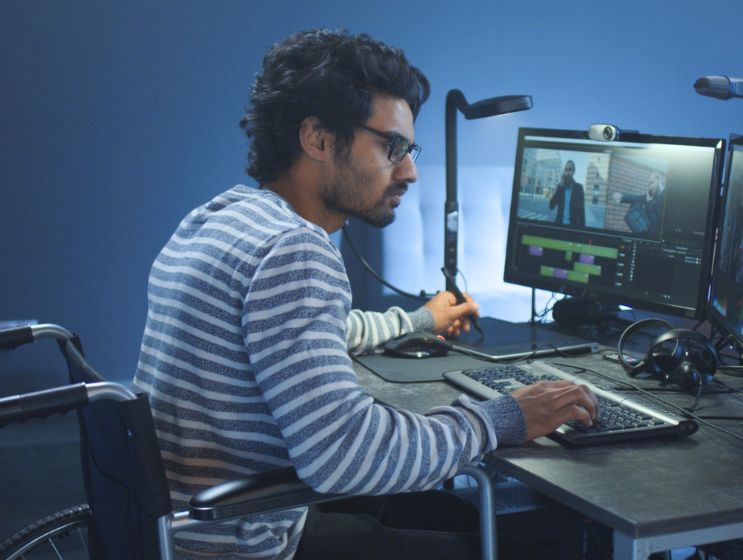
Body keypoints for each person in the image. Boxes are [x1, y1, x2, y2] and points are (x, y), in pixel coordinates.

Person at [133, 29, 598, 560]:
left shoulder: (220, 220)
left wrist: (418, 321)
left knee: (454, 515)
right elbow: (344, 453)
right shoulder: (294, 251)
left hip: (182, 532)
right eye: (391, 146)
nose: (410, 171)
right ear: (319, 139)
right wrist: (502, 418)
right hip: (243, 545)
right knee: (529, 550)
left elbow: (307, 332)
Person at [611, 170, 665, 238]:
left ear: (659, 180)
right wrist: (621, 196)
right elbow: (635, 198)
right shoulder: (651, 197)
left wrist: (648, 204)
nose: (650, 187)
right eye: (649, 184)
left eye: (652, 182)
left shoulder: (666, 199)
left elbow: (657, 224)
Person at [548, 160, 586, 226]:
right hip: (559, 227)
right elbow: (551, 206)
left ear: (574, 171)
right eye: (566, 170)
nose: (567, 173)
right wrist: (560, 187)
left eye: (570, 170)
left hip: (572, 228)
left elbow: (581, 215)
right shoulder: (560, 188)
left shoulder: (579, 188)